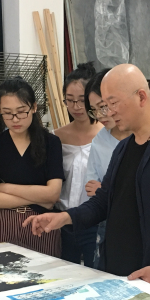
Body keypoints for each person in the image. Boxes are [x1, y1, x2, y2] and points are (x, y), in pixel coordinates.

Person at [23, 64, 150, 295]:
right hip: (115, 273)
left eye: (113, 103)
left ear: (141, 97)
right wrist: (64, 217)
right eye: (104, 105)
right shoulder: (123, 148)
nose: (109, 112)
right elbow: (103, 202)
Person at [0, 77, 64, 257]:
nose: (15, 119)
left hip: (43, 221)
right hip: (6, 221)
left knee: (47, 271)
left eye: (21, 112)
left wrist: (6, 188)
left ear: (33, 107)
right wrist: (39, 198)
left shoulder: (51, 142)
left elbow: (53, 194)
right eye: (7, 113)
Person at [55, 62, 103, 268]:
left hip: (95, 223)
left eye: (82, 100)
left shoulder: (107, 136)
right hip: (62, 222)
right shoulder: (56, 137)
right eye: (70, 100)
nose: (76, 107)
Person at [83, 68, 132, 267]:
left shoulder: (142, 137)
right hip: (107, 225)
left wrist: (105, 190)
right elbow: (90, 189)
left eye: (103, 107)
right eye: (94, 110)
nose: (100, 115)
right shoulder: (99, 140)